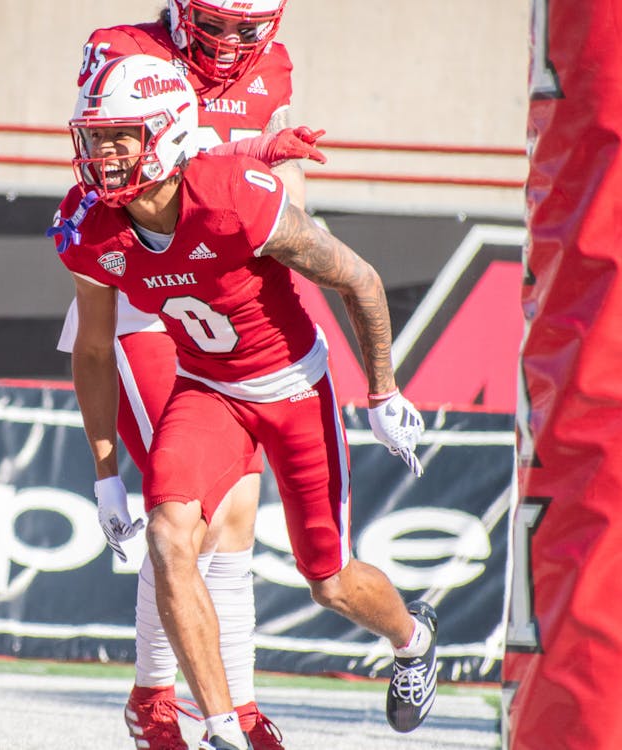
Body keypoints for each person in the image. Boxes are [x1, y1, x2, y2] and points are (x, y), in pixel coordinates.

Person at [52, 54, 437, 750]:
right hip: (208, 391)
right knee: (172, 537)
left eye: (120, 137)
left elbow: (360, 279)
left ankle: (412, 640)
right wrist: (107, 472)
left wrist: (382, 390)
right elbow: (91, 349)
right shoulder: (91, 225)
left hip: (294, 387)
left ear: (166, 136)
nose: (102, 156)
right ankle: (223, 728)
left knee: (330, 579)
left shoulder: (236, 195)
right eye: (96, 137)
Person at [56, 2, 311, 747]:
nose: (232, 42)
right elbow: (107, 170)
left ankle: (228, 699)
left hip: (221, 307)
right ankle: (158, 696)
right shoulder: (120, 47)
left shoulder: (273, 66)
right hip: (142, 297)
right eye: (216, 23)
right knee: (187, 515)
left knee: (235, 511)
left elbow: (288, 199)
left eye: (246, 26)